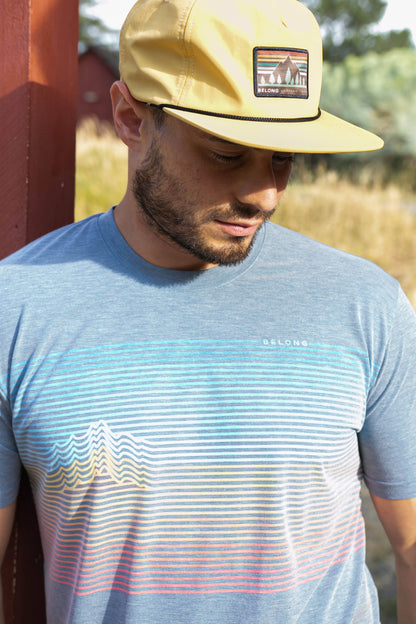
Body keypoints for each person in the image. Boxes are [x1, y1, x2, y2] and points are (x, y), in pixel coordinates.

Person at [0, 0, 415, 621]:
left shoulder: (366, 304)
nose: (265, 194)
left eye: (283, 157)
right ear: (129, 118)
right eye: (226, 154)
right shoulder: (17, 307)